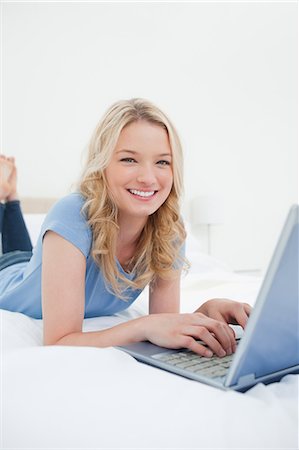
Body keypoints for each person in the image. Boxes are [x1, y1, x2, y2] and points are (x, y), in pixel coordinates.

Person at [0, 98, 251, 358]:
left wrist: (203, 314)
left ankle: (9, 196)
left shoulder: (169, 230)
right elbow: (59, 341)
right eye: (129, 159)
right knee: (14, 255)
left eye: (162, 162)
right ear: (102, 164)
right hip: (7, 276)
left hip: (34, 264)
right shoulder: (72, 214)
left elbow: (164, 323)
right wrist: (141, 326)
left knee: (24, 252)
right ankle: (8, 197)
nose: (148, 178)